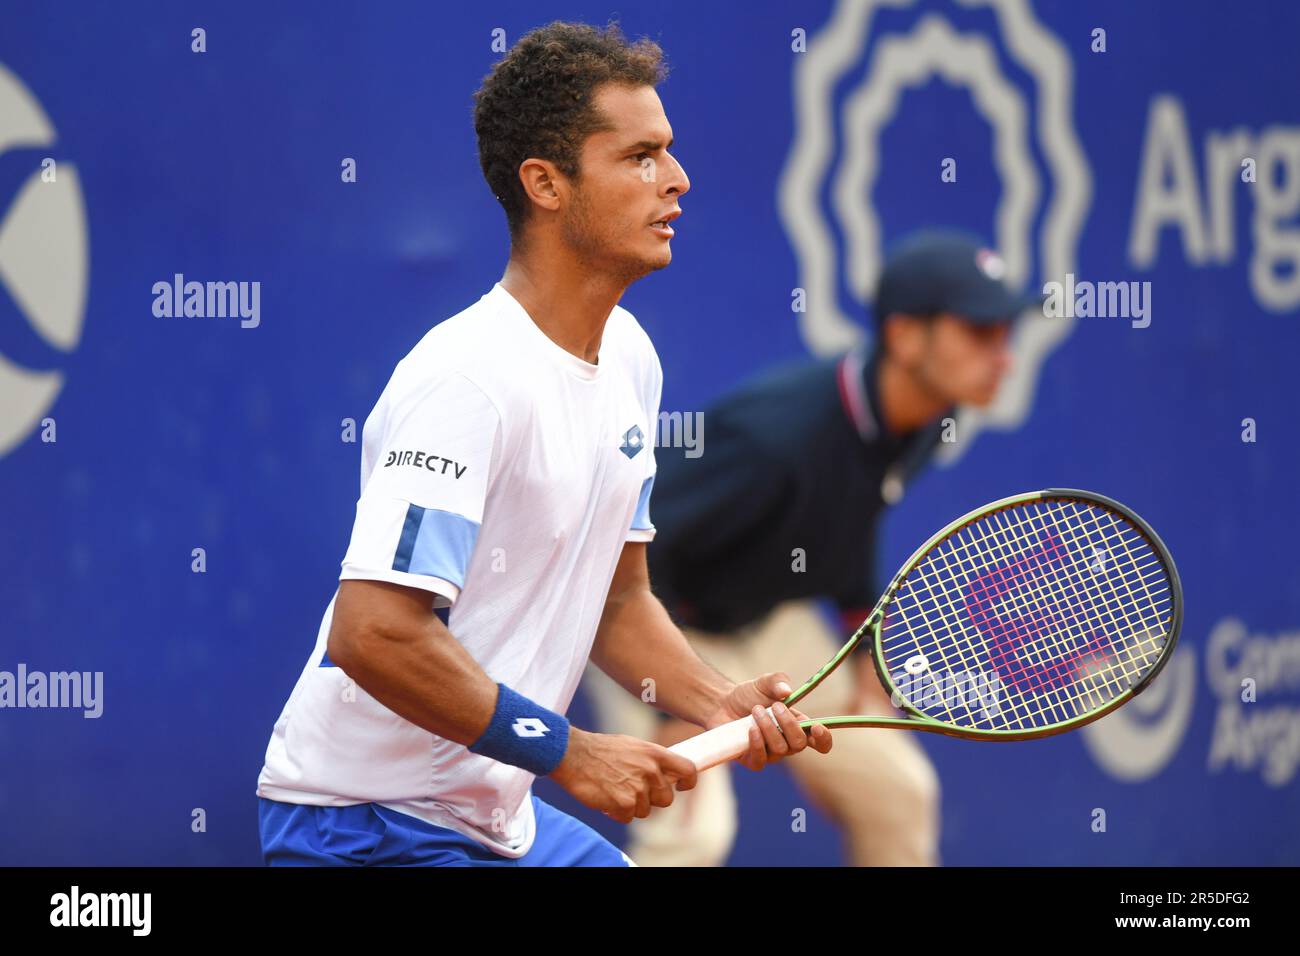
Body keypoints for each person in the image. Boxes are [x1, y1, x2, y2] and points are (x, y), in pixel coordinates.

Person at [254, 20, 831, 867]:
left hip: (495, 820)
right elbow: (372, 632)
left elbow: (619, 603)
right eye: (639, 157)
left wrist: (717, 700)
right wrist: (571, 752)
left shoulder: (631, 357)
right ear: (546, 184)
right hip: (362, 824)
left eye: (667, 152)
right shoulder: (467, 380)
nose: (677, 179)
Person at [584, 228, 1039, 866]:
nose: (1005, 357)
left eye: (1005, 334)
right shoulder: (779, 442)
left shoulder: (932, 414)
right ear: (907, 337)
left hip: (771, 619)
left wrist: (862, 649)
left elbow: (852, 520)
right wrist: (669, 688)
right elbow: (629, 558)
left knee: (900, 790)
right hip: (651, 616)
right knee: (693, 835)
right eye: (980, 333)